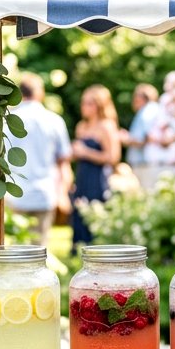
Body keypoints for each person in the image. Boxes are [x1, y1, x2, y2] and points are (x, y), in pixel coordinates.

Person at [4, 73, 72, 246]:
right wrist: (63, 194)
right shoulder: (54, 121)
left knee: (15, 248)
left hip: (14, 194)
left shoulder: (7, 121)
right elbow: (63, 161)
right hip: (44, 193)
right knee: (39, 249)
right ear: (40, 93)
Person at [71, 84, 121, 248]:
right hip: (82, 176)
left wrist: (86, 152)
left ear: (99, 105)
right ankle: (78, 249)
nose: (84, 107)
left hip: (98, 178)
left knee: (94, 213)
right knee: (79, 211)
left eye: (89, 103)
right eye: (83, 102)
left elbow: (113, 157)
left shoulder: (106, 126)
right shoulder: (81, 126)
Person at [120, 83, 168, 190]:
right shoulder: (153, 110)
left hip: (144, 165)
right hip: (146, 164)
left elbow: (146, 138)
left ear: (141, 98)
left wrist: (126, 138)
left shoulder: (147, 111)